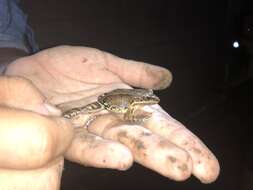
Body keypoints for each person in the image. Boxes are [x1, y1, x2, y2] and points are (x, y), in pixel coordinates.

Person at [0, 0, 220, 189]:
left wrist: (9, 65)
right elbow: (129, 108)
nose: (150, 100)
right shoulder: (133, 104)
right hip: (108, 103)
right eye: (149, 98)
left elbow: (6, 30)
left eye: (149, 98)